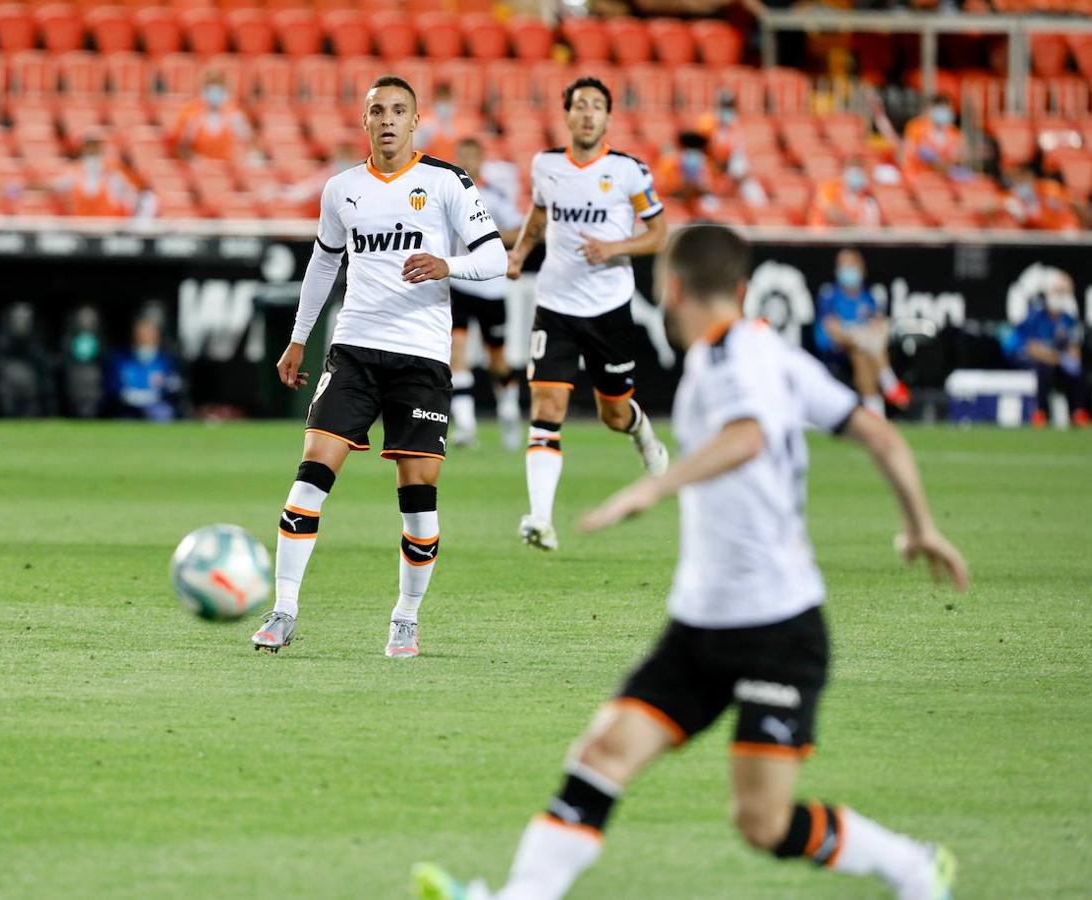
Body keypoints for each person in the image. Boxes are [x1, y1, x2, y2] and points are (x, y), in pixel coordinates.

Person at [413, 224, 969, 900]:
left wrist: (653, 486)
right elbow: (880, 435)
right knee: (602, 755)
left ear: (671, 288)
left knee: (761, 822)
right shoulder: (778, 354)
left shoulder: (725, 360)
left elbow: (748, 436)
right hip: (701, 626)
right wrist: (921, 528)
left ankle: (912, 866)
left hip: (775, 631)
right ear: (740, 287)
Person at [253, 74, 508, 657]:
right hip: (354, 350)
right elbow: (322, 268)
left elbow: (496, 256)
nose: (388, 119)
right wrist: (298, 340)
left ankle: (406, 618)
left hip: (420, 357)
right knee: (313, 469)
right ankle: (284, 609)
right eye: (377, 111)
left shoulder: (445, 181)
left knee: (418, 498)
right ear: (364, 121)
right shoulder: (341, 189)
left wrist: (448, 265)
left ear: (416, 121)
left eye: (399, 110)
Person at [505, 75, 670, 553]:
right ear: (568, 114)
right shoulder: (546, 165)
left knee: (614, 414)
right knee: (546, 409)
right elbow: (538, 218)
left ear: (608, 117)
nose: (587, 113)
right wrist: (519, 254)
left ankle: (643, 436)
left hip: (608, 309)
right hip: (555, 306)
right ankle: (540, 518)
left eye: (596, 105)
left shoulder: (628, 172)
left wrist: (616, 246)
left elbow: (659, 234)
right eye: (579, 105)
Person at [449, 136, 523, 450]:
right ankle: (465, 426)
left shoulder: (493, 196)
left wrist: (486, 237)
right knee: (456, 352)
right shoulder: (447, 195)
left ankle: (509, 409)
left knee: (497, 360)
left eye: (472, 156)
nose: (467, 161)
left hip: (492, 287)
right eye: (461, 155)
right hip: (459, 282)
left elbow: (518, 228)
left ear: (481, 161)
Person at [814, 248, 910, 414]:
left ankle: (876, 413)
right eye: (843, 265)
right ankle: (889, 382)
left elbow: (875, 323)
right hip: (836, 345)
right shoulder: (829, 294)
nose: (848, 270)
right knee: (863, 343)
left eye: (852, 265)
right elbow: (832, 327)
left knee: (863, 352)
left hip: (861, 348)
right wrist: (857, 333)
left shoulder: (868, 296)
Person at [1002, 272, 1088, 428]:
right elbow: (1032, 349)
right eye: (1057, 292)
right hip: (1023, 356)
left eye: (1063, 293)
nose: (1059, 297)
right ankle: (1040, 413)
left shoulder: (1067, 319)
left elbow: (1074, 350)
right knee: (1043, 370)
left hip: (1054, 360)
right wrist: (1058, 358)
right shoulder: (1036, 316)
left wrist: (1068, 358)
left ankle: (1077, 412)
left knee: (1077, 371)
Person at [54, 134, 150, 219]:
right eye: (89, 147)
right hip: (82, 228)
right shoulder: (74, 172)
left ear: (101, 149)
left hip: (108, 229)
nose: (92, 151)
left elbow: (134, 195)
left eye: (95, 147)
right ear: (83, 149)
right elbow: (57, 187)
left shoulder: (114, 172)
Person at [104, 317, 182, 421]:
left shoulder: (166, 362)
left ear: (156, 338)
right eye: (140, 337)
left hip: (156, 410)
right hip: (127, 411)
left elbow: (171, 387)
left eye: (148, 337)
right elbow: (114, 389)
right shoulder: (119, 360)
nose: (144, 341)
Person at [169, 70, 254, 162]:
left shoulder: (234, 116)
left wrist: (252, 157)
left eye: (219, 89)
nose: (215, 93)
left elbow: (249, 139)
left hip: (224, 168)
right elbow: (181, 146)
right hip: (199, 169)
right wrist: (193, 160)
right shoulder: (193, 115)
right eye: (210, 89)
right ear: (203, 91)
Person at [901, 94, 964, 181]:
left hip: (943, 180)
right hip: (917, 176)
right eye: (940, 109)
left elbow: (953, 160)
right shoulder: (916, 127)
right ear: (930, 109)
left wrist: (936, 161)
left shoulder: (954, 134)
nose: (943, 113)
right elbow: (906, 154)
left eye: (946, 109)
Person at [1003, 166, 1081, 233]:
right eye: (1013, 179)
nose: (1018, 182)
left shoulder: (1049, 188)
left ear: (1029, 176)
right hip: (1037, 238)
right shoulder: (1012, 196)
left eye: (1020, 177)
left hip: (1063, 232)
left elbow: (1073, 204)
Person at [808, 157, 880, 228]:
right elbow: (825, 207)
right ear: (844, 173)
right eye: (853, 173)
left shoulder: (868, 201)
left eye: (860, 174)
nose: (856, 177)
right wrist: (850, 225)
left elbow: (869, 230)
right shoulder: (830, 188)